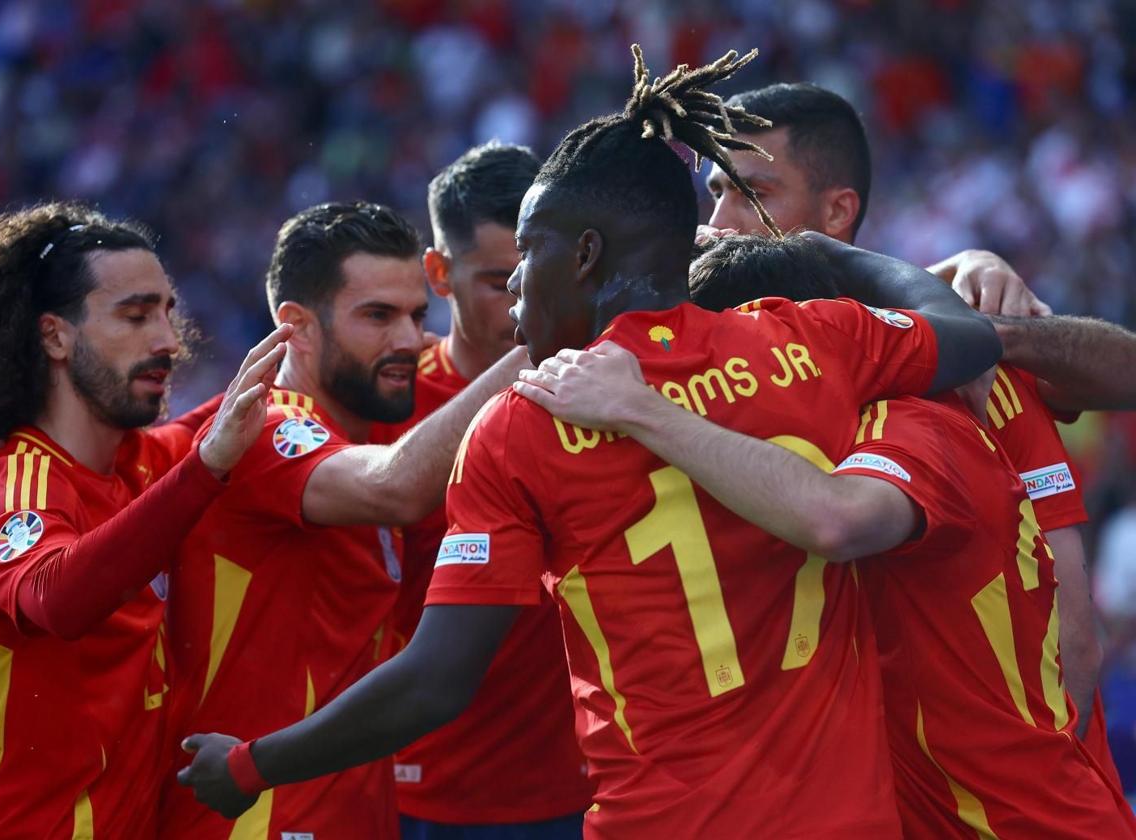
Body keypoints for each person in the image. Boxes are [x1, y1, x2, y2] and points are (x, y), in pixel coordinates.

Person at [178, 45, 1001, 838]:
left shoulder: (524, 424)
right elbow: (967, 335)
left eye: (526, 261)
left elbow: (436, 680)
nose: (514, 300)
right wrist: (820, 251)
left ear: (584, 254)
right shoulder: (809, 343)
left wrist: (251, 767)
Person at [521, 233, 1136, 836]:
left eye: (735, 358)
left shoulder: (915, 423)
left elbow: (836, 518)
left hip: (1015, 821)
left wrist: (643, 409)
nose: (726, 385)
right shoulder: (839, 426)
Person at [704, 80, 1134, 760]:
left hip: (991, 793)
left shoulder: (943, 356)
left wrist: (992, 334)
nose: (721, 221)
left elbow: (1073, 638)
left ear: (837, 210)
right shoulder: (696, 358)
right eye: (715, 193)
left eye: (750, 191)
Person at [159, 201, 529, 839]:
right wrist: (557, 334)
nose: (411, 341)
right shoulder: (265, 427)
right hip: (260, 816)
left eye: (417, 315)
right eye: (378, 317)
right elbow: (400, 486)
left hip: (351, 811)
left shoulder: (364, 422)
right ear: (297, 328)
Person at [0, 202, 287, 837]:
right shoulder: (7, 487)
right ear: (54, 335)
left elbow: (229, 413)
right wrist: (205, 469)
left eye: (167, 314)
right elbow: (60, 598)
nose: (168, 343)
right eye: (134, 316)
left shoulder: (144, 463)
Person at [375, 143, 591, 839]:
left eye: (539, 273)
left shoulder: (605, 389)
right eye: (500, 282)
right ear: (438, 272)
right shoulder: (385, 405)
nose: (523, 302)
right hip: (427, 799)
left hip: (592, 789)